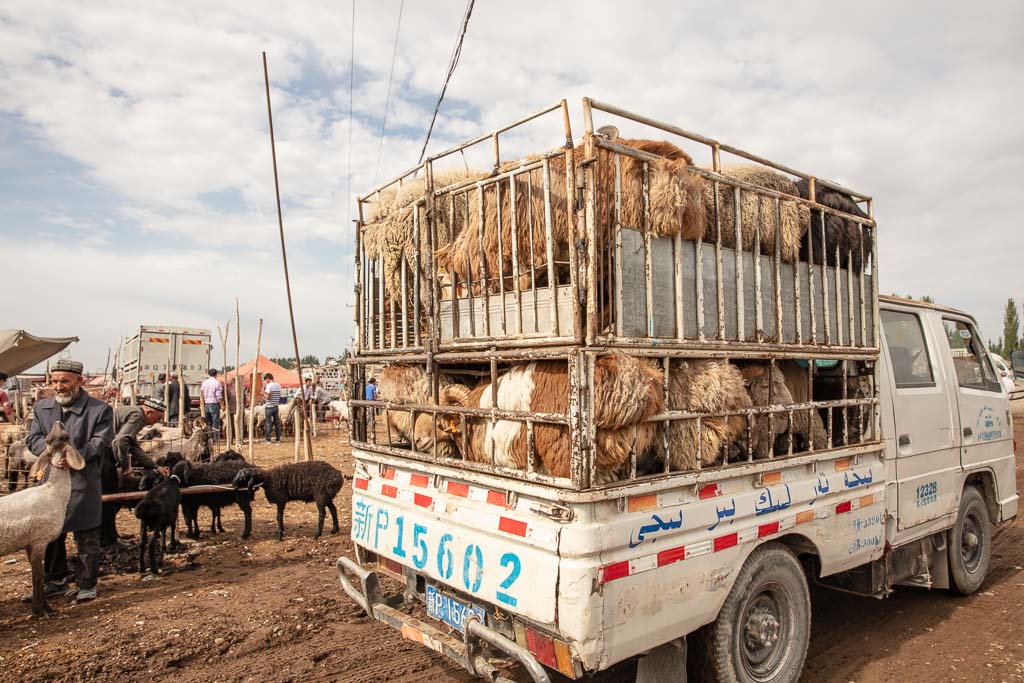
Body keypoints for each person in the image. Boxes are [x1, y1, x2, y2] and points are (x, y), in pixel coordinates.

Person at [24, 359, 114, 603]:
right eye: (54, 381)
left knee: (86, 532)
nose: (58, 386)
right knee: (50, 533)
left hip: (82, 479)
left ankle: (86, 584)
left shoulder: (99, 410)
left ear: (79, 381)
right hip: (51, 481)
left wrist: (74, 456)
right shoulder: (42, 408)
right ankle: (55, 580)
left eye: (64, 381)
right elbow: (32, 438)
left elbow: (100, 442)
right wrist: (52, 454)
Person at [112, 396, 166, 470]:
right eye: (157, 419)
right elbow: (120, 440)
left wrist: (156, 466)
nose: (154, 423)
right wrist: (125, 467)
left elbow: (133, 447)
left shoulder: (133, 412)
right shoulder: (138, 416)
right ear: (149, 413)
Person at [201, 368, 224, 435]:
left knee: (208, 422)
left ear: (209, 374)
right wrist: (222, 404)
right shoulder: (217, 383)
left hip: (206, 403)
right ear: (216, 374)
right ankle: (214, 437)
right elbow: (218, 395)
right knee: (215, 422)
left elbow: (202, 392)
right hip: (214, 404)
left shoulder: (204, 382)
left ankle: (208, 436)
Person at [262, 373, 282, 443]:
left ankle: (268, 439)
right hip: (276, 406)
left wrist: (263, 394)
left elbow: (267, 397)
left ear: (267, 379)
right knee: (277, 423)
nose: (265, 382)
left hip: (269, 406)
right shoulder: (278, 385)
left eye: (265, 380)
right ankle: (278, 438)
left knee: (268, 423)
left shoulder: (269, 385)